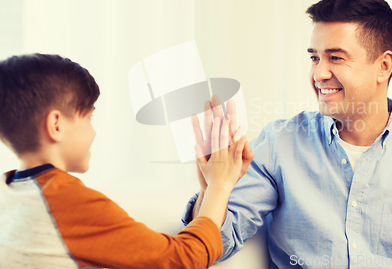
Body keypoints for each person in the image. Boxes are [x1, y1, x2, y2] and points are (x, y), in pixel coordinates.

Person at [184, 0, 392, 268]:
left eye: (336, 58)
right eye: (314, 58)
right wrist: (215, 187)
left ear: (383, 66)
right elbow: (216, 246)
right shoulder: (280, 144)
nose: (319, 73)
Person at [0, 53, 252, 269]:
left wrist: (208, 190)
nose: (94, 131)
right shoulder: (64, 201)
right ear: (56, 125)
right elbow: (182, 260)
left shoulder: (9, 191)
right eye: (89, 118)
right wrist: (221, 186)